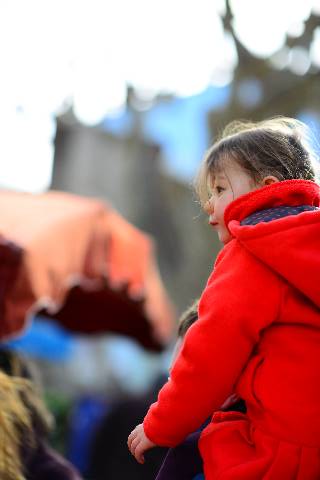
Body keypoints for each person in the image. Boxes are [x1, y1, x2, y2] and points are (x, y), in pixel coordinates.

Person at [128, 116, 320, 479]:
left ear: (267, 187)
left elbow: (209, 355)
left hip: (274, 452)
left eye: (218, 189)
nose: (208, 205)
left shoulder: (253, 250)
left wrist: (160, 424)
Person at [155, 299, 246, 480]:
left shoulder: (191, 454)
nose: (167, 394)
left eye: (183, 380)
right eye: (171, 379)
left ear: (231, 390)